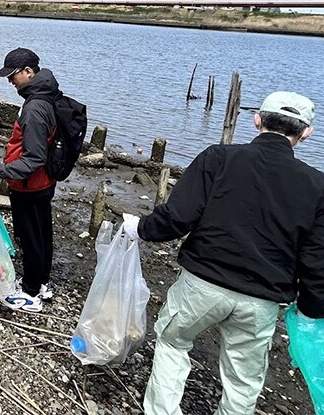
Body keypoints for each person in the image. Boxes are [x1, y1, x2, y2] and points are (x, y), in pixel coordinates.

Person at [122, 91, 324, 415]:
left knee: (173, 343)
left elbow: (179, 216)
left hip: (201, 283)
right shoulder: (317, 185)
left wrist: (141, 228)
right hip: (262, 298)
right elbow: (316, 259)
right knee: (243, 380)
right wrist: (313, 307)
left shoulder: (218, 158)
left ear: (257, 120)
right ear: (306, 133)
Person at [0, 48, 61, 313]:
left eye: (13, 76)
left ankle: (32, 291)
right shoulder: (46, 94)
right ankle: (42, 282)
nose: (10, 81)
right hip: (43, 182)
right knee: (42, 233)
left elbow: (34, 157)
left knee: (29, 236)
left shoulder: (35, 107)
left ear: (29, 71)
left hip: (30, 184)